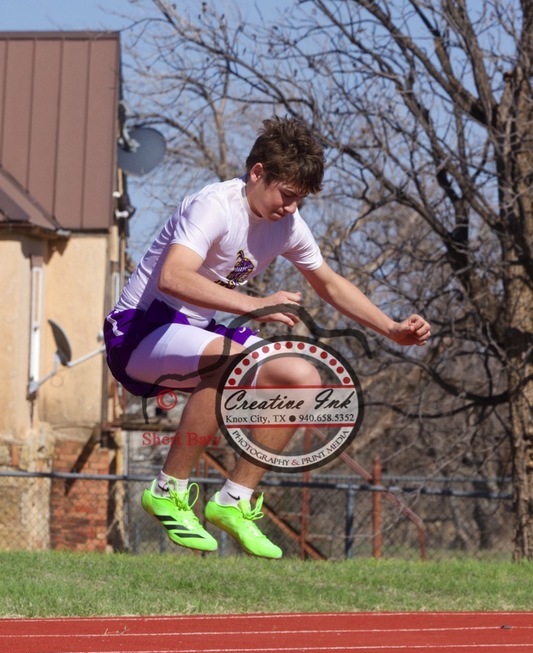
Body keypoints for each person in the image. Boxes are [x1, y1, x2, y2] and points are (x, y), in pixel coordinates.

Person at [104, 116, 431, 559]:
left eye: (302, 199)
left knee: (302, 376)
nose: (293, 208)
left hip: (198, 331)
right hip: (140, 332)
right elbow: (173, 277)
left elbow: (329, 284)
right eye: (288, 195)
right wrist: (255, 305)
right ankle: (167, 489)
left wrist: (390, 328)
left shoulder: (287, 226)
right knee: (232, 359)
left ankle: (234, 500)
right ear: (258, 173)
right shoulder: (214, 206)